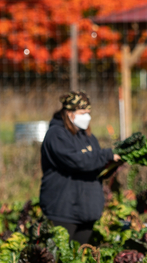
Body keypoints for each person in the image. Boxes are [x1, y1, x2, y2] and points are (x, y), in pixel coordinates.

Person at [39, 90, 121, 244]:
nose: (87, 117)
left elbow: (96, 167)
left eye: (88, 112)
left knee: (80, 256)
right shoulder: (56, 135)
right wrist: (106, 155)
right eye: (83, 112)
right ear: (69, 113)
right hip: (63, 211)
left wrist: (112, 164)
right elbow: (77, 161)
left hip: (86, 212)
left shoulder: (88, 137)